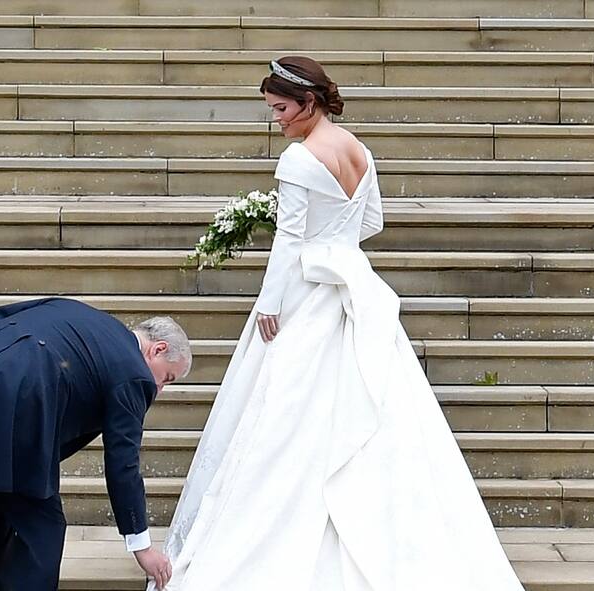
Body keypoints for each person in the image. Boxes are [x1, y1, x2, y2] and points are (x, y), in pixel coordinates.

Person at [154, 57, 526, 590]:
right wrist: (336, 239)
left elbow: (289, 240)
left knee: (285, 415)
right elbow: (372, 221)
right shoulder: (359, 151)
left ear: (308, 103)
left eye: (281, 109)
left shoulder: (298, 158)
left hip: (308, 292)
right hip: (356, 285)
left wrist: (270, 304)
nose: (276, 119)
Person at [0, 297, 191, 591]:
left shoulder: (74, 310)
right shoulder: (134, 374)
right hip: (12, 409)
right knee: (43, 528)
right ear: (158, 349)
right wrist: (142, 546)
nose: (160, 388)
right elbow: (123, 462)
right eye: (167, 377)